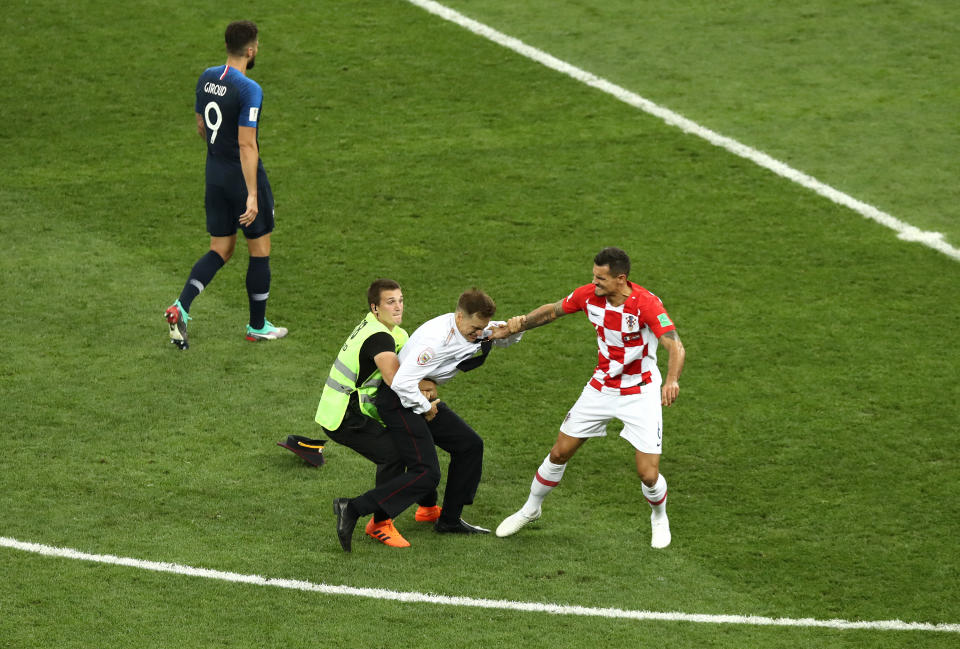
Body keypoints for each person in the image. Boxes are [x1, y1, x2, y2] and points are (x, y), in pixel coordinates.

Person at [495, 247, 685, 549]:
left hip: (640, 391)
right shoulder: (589, 296)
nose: (593, 283)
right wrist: (515, 325)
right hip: (601, 388)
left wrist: (671, 380)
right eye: (593, 277)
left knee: (648, 475)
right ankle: (531, 508)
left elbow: (675, 346)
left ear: (621, 279)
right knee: (559, 453)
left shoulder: (646, 304)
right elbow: (553, 311)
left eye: (600, 279)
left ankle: (659, 517)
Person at [333, 289, 523, 551]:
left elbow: (496, 337)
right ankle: (352, 508)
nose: (479, 333)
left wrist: (515, 330)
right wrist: (425, 408)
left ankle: (450, 520)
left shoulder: (471, 326)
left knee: (469, 445)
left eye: (482, 328)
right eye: (475, 328)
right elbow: (400, 383)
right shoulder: (434, 341)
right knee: (427, 473)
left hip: (418, 397)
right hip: (400, 401)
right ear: (459, 316)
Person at [164, 20, 287, 349]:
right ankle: (257, 326)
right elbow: (247, 145)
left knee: (220, 248)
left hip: (214, 173)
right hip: (240, 176)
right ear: (250, 50)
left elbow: (201, 126)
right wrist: (251, 194)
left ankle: (181, 307)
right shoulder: (250, 89)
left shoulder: (207, 77)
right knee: (259, 249)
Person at [314, 279, 441, 548]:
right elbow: (396, 379)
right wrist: (425, 403)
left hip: (351, 409)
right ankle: (380, 524)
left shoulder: (393, 332)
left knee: (408, 447)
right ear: (375, 308)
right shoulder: (379, 337)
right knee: (393, 455)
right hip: (344, 416)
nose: (398, 307)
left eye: (401, 300)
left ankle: (427, 506)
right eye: (390, 302)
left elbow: (413, 374)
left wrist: (427, 384)